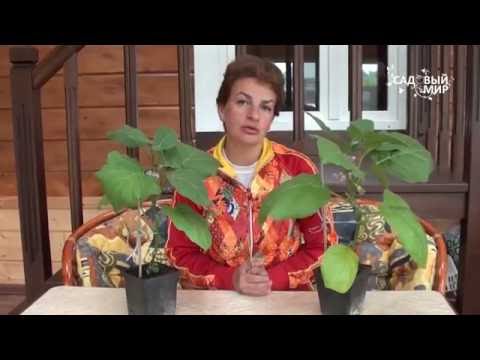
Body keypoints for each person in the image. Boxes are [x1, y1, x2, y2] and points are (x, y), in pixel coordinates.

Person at [165, 55, 324, 296]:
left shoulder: (297, 169)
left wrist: (272, 280)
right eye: (242, 102)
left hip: (286, 302)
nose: (254, 115)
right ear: (221, 109)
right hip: (216, 303)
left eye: (266, 107)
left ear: (271, 118)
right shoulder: (194, 174)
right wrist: (231, 279)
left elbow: (322, 246)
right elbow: (180, 253)